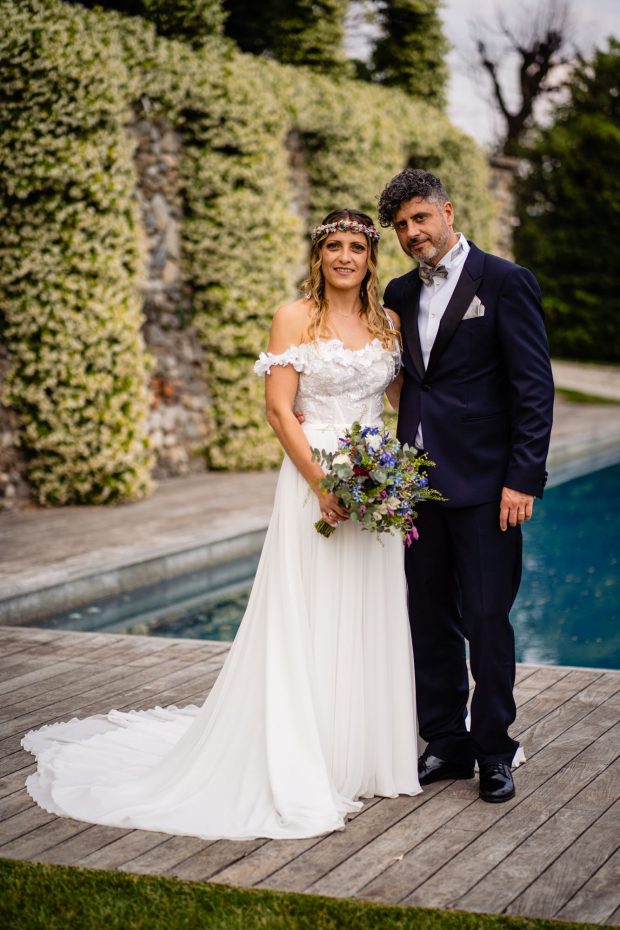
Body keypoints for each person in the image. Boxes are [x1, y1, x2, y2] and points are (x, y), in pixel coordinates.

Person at [22, 210, 421, 840]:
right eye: (333, 246)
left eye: (356, 247)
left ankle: (362, 754)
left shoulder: (388, 323)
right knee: (311, 607)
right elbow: (279, 410)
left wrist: (396, 466)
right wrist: (322, 483)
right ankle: (304, 752)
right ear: (318, 255)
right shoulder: (294, 317)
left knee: (370, 607)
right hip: (313, 474)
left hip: (375, 476)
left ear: (371, 258)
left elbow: (399, 399)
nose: (345, 257)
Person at [379, 168, 554, 803]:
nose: (412, 233)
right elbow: (405, 382)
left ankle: (495, 750)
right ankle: (446, 742)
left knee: (486, 619)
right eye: (401, 226)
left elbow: (533, 387)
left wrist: (522, 478)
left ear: (447, 212)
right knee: (429, 619)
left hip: (487, 486)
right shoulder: (398, 293)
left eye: (420, 218)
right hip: (417, 485)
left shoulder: (504, 281)